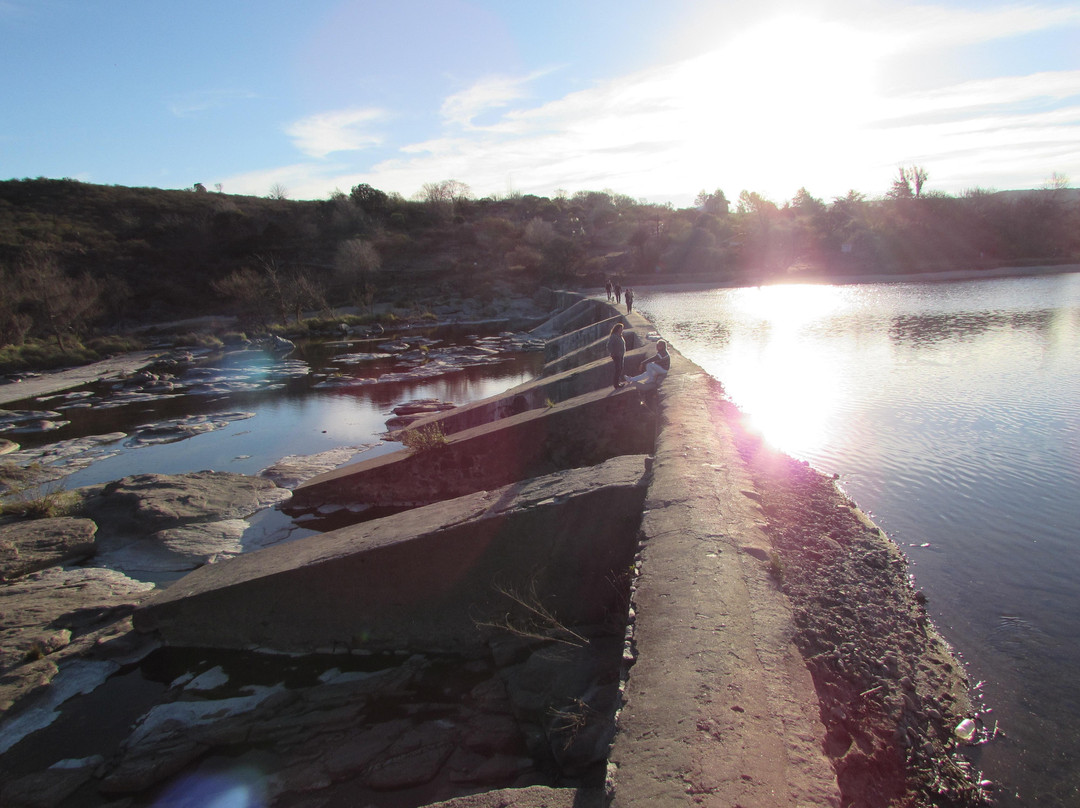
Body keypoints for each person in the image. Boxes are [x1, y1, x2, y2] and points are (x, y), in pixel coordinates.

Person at [608, 322, 627, 389]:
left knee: (620, 369)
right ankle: (616, 384)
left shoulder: (619, 335)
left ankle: (618, 382)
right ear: (617, 329)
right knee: (618, 369)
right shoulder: (613, 336)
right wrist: (612, 353)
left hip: (621, 355)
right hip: (616, 356)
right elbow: (609, 346)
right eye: (621, 328)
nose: (622, 330)